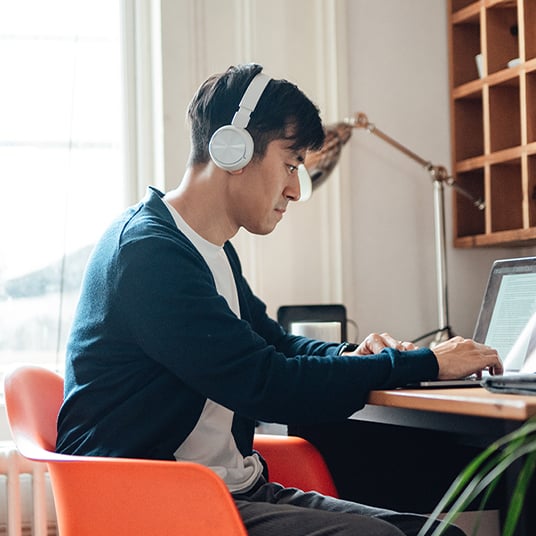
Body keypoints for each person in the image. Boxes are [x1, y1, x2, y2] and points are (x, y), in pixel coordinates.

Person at [56, 63, 503, 536]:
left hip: (230, 492)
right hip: (154, 504)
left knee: (440, 534)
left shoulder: (208, 250)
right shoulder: (148, 255)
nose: (294, 189)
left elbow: (275, 346)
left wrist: (357, 354)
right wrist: (426, 363)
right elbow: (268, 384)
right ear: (233, 149)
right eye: (290, 165)